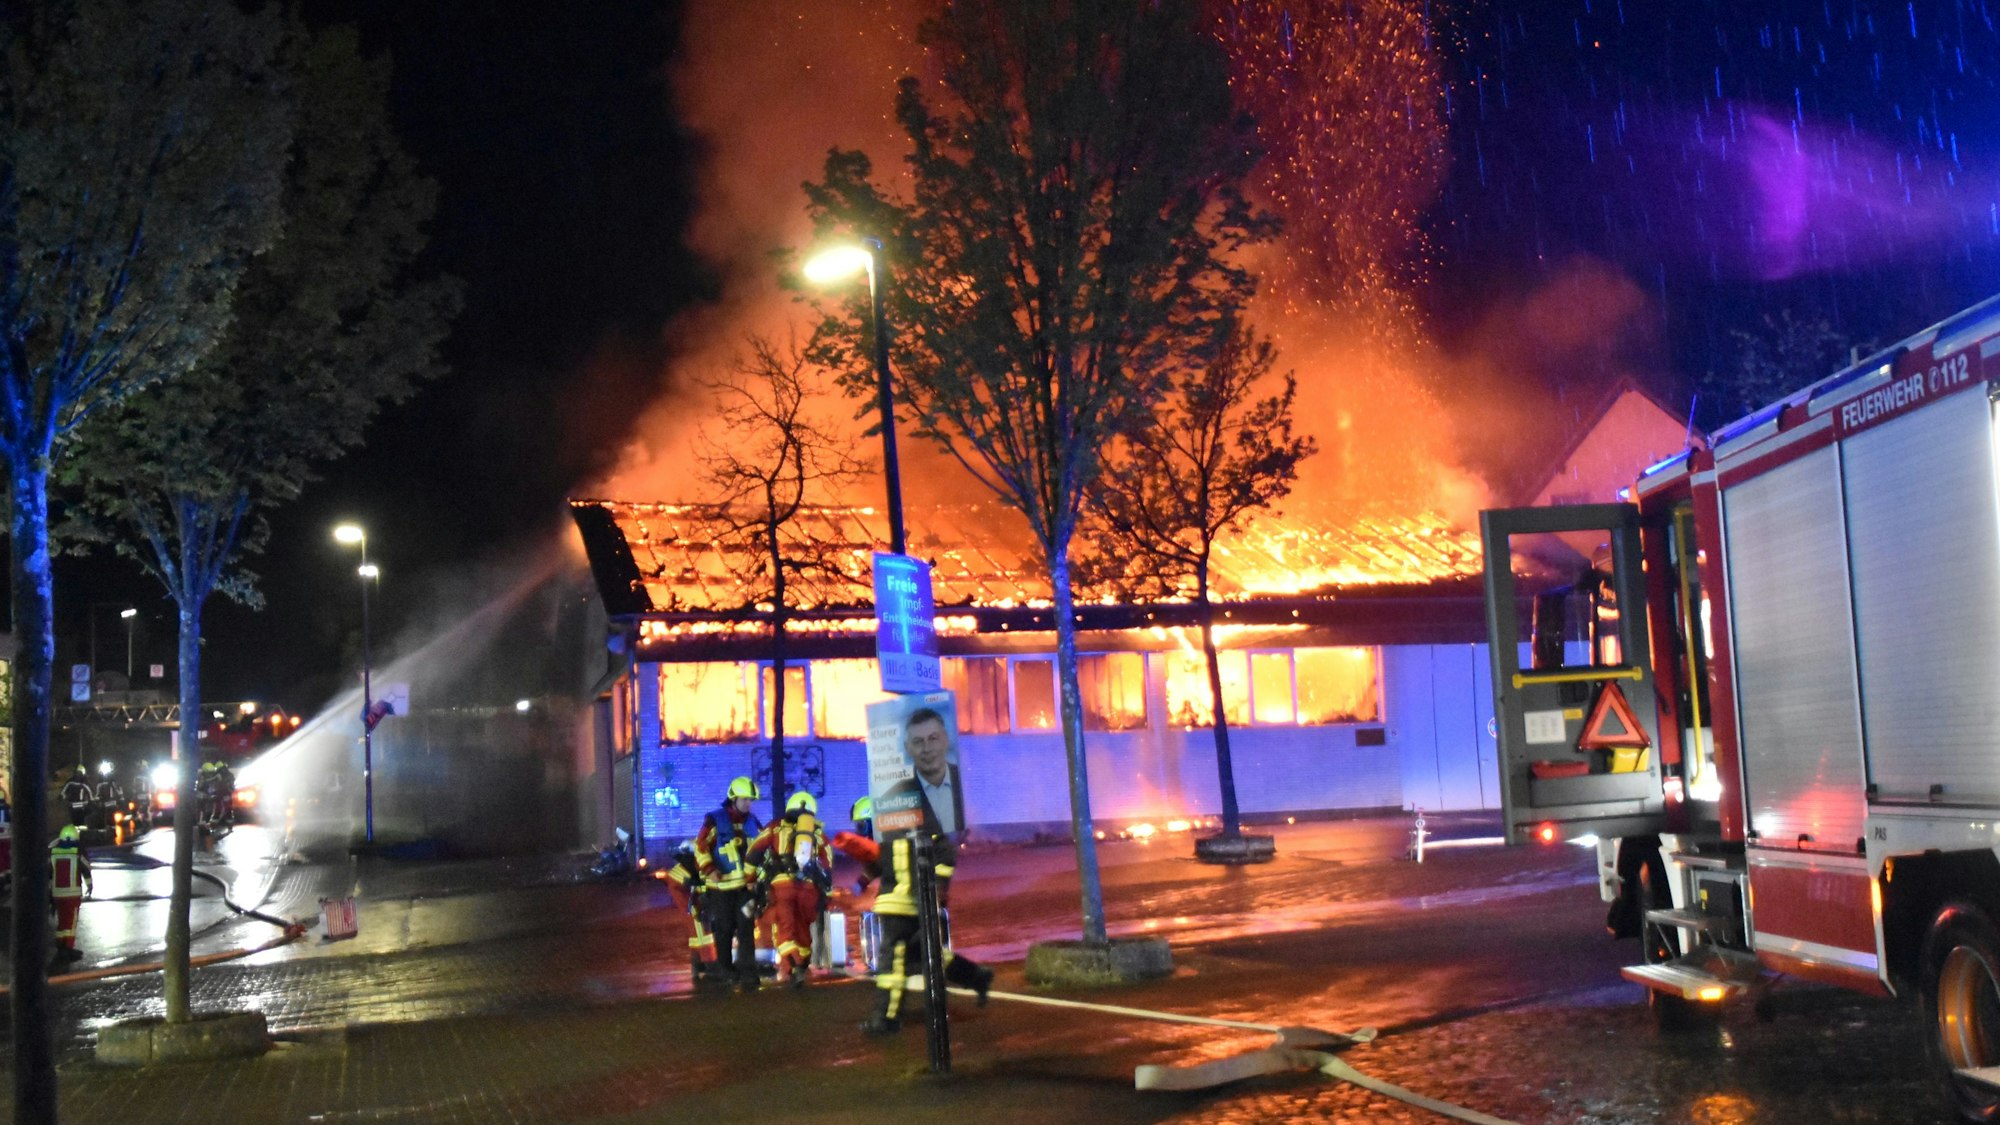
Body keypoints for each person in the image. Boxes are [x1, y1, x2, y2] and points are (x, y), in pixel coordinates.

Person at [851, 815, 992, 1035]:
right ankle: (976, 976)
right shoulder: (893, 831)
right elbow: (886, 862)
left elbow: (944, 856)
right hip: (903, 904)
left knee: (891, 965)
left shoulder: (911, 828)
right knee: (923, 955)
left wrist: (937, 887)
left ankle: (886, 1019)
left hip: (905, 905)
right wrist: (863, 879)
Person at [745, 791, 833, 988]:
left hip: (782, 887)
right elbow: (828, 865)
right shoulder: (818, 833)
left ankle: (792, 968)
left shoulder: (776, 828)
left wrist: (749, 880)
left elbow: (754, 852)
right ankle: (801, 964)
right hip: (810, 890)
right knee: (803, 931)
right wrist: (825, 891)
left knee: (785, 930)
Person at [694, 776, 764, 992]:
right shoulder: (714, 820)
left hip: (745, 888)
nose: (748, 804)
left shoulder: (753, 823)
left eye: (750, 800)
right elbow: (701, 846)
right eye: (744, 799)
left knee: (746, 929)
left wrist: (758, 880)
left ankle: (748, 973)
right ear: (733, 799)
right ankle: (726, 970)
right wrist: (709, 869)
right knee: (723, 929)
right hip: (720, 888)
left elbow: (762, 851)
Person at [878, 707, 965, 836]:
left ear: (946, 740)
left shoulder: (966, 783)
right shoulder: (892, 800)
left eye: (933, 738)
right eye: (918, 742)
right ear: (907, 748)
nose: (927, 748)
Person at [661, 841, 720, 979]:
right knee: (703, 935)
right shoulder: (686, 870)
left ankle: (697, 964)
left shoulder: (685, 868)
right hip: (694, 906)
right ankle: (711, 965)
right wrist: (697, 907)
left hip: (693, 904)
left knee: (696, 937)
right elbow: (692, 889)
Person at [49, 824, 92, 963]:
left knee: (61, 922)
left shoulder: (53, 852)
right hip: (72, 894)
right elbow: (86, 868)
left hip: (57, 894)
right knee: (71, 924)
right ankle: (67, 949)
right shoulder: (77, 851)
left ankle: (61, 947)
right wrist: (90, 885)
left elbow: (48, 874)